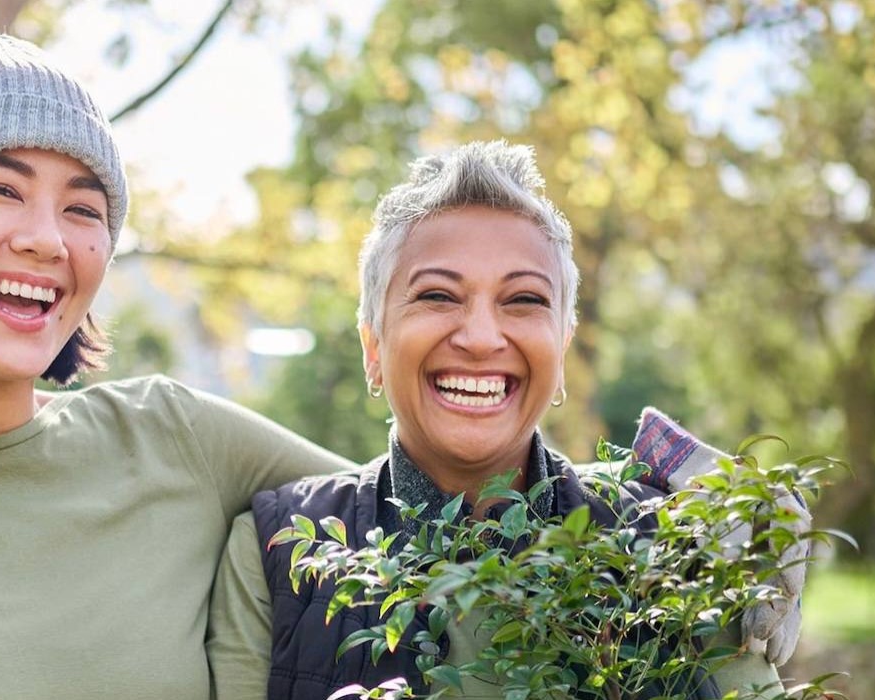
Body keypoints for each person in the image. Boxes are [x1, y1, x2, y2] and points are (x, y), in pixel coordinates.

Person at [0, 35, 796, 700]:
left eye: (84, 208)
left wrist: (695, 509)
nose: (45, 237)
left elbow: (448, 490)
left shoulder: (173, 437)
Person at [205, 142, 796, 699]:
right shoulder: (274, 549)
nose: (483, 338)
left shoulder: (678, 542)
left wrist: (739, 518)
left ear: (561, 350)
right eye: (437, 296)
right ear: (373, 348)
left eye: (524, 300)